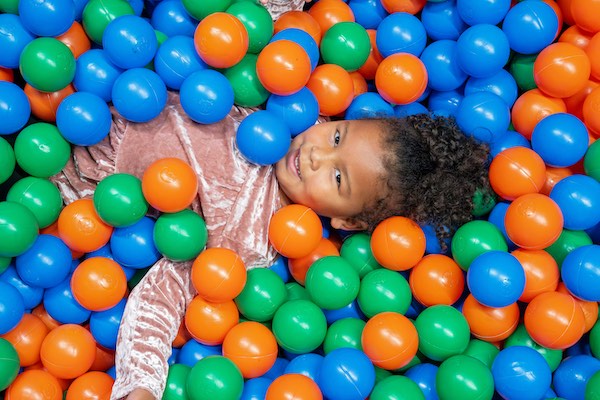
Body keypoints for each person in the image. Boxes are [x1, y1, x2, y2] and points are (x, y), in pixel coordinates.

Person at [51, 6, 492, 400]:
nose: (319, 154)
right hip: (98, 80)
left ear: (345, 221)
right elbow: (256, 27)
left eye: (338, 178)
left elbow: (166, 292)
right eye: (338, 135)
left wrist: (141, 385)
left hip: (74, 170)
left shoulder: (254, 233)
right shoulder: (295, 103)